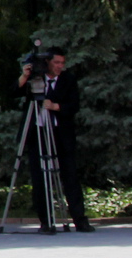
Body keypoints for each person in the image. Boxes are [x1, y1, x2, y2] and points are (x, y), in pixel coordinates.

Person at [19, 50, 91, 232]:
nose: (60, 66)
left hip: (61, 133)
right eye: (56, 62)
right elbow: (14, 91)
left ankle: (80, 219)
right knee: (39, 177)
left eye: (62, 63)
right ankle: (46, 221)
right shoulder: (35, 79)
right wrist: (25, 76)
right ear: (47, 63)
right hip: (38, 133)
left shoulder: (68, 79)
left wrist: (56, 106)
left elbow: (74, 105)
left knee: (70, 175)